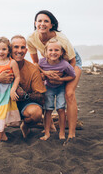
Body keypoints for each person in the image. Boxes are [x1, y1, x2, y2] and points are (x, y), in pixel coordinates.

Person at [27, 10, 82, 142]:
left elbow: (73, 61)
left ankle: (72, 132)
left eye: (46, 21)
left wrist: (61, 77)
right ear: (35, 23)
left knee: (69, 94)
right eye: (39, 21)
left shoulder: (61, 39)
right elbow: (35, 63)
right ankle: (49, 125)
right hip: (51, 64)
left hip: (70, 63)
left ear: (52, 24)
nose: (42, 23)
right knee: (41, 89)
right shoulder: (31, 39)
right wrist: (46, 73)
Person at [38, 39, 76, 141]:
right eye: (50, 50)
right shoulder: (42, 62)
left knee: (61, 109)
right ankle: (47, 133)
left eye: (56, 50)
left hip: (60, 88)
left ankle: (62, 132)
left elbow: (73, 75)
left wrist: (61, 79)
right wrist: (44, 73)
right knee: (48, 109)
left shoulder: (64, 64)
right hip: (48, 87)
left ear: (61, 52)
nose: (53, 52)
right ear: (45, 52)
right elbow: (36, 67)